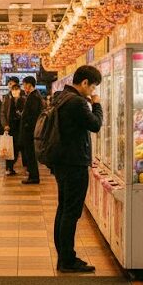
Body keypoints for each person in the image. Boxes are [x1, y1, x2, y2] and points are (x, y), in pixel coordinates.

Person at [51, 65, 103, 273]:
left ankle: (64, 255)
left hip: (63, 162)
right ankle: (67, 260)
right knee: (71, 212)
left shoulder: (61, 97)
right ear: (84, 83)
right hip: (74, 163)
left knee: (63, 209)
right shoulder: (77, 102)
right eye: (93, 87)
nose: (93, 91)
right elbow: (96, 125)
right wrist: (97, 105)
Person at [19, 76, 44, 184]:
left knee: (31, 155)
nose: (23, 87)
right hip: (31, 131)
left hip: (30, 132)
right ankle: (33, 175)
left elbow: (32, 115)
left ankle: (34, 177)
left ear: (29, 85)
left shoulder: (33, 97)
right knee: (30, 154)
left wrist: (26, 125)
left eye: (24, 84)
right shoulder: (35, 95)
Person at [0, 77, 23, 175]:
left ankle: (11, 166)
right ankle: (9, 167)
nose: (10, 86)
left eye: (12, 84)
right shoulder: (6, 97)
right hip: (10, 125)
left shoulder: (23, 97)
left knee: (17, 147)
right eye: (9, 84)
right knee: (9, 146)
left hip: (19, 126)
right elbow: (3, 112)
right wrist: (5, 124)